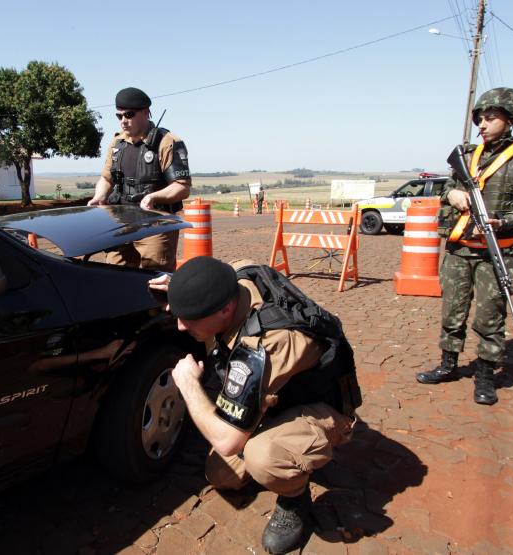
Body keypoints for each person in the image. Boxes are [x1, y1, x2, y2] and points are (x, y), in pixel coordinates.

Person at [149, 256, 360, 554]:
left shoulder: (267, 344)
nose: (181, 327)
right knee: (222, 476)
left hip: (321, 406)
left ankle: (294, 497)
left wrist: (188, 384)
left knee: (263, 458)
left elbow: (226, 441)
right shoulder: (237, 276)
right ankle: (272, 435)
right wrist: (184, 289)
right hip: (278, 394)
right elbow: (216, 274)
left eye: (189, 318)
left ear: (225, 309)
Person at [417, 87, 513, 405]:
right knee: (452, 311)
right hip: (459, 248)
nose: (482, 124)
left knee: (490, 317)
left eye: (490, 118)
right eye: (480, 118)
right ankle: (448, 364)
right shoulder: (468, 155)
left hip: (498, 250)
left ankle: (485, 376)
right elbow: (451, 183)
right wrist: (452, 194)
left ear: (510, 119)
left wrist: (506, 221)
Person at [88, 87, 191, 271]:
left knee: (155, 281)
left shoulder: (167, 141)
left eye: (129, 115)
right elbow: (106, 178)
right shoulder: (117, 143)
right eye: (119, 116)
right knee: (116, 277)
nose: (123, 121)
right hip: (120, 223)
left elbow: (181, 187)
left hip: (155, 225)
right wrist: (99, 196)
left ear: (145, 112)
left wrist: (154, 197)